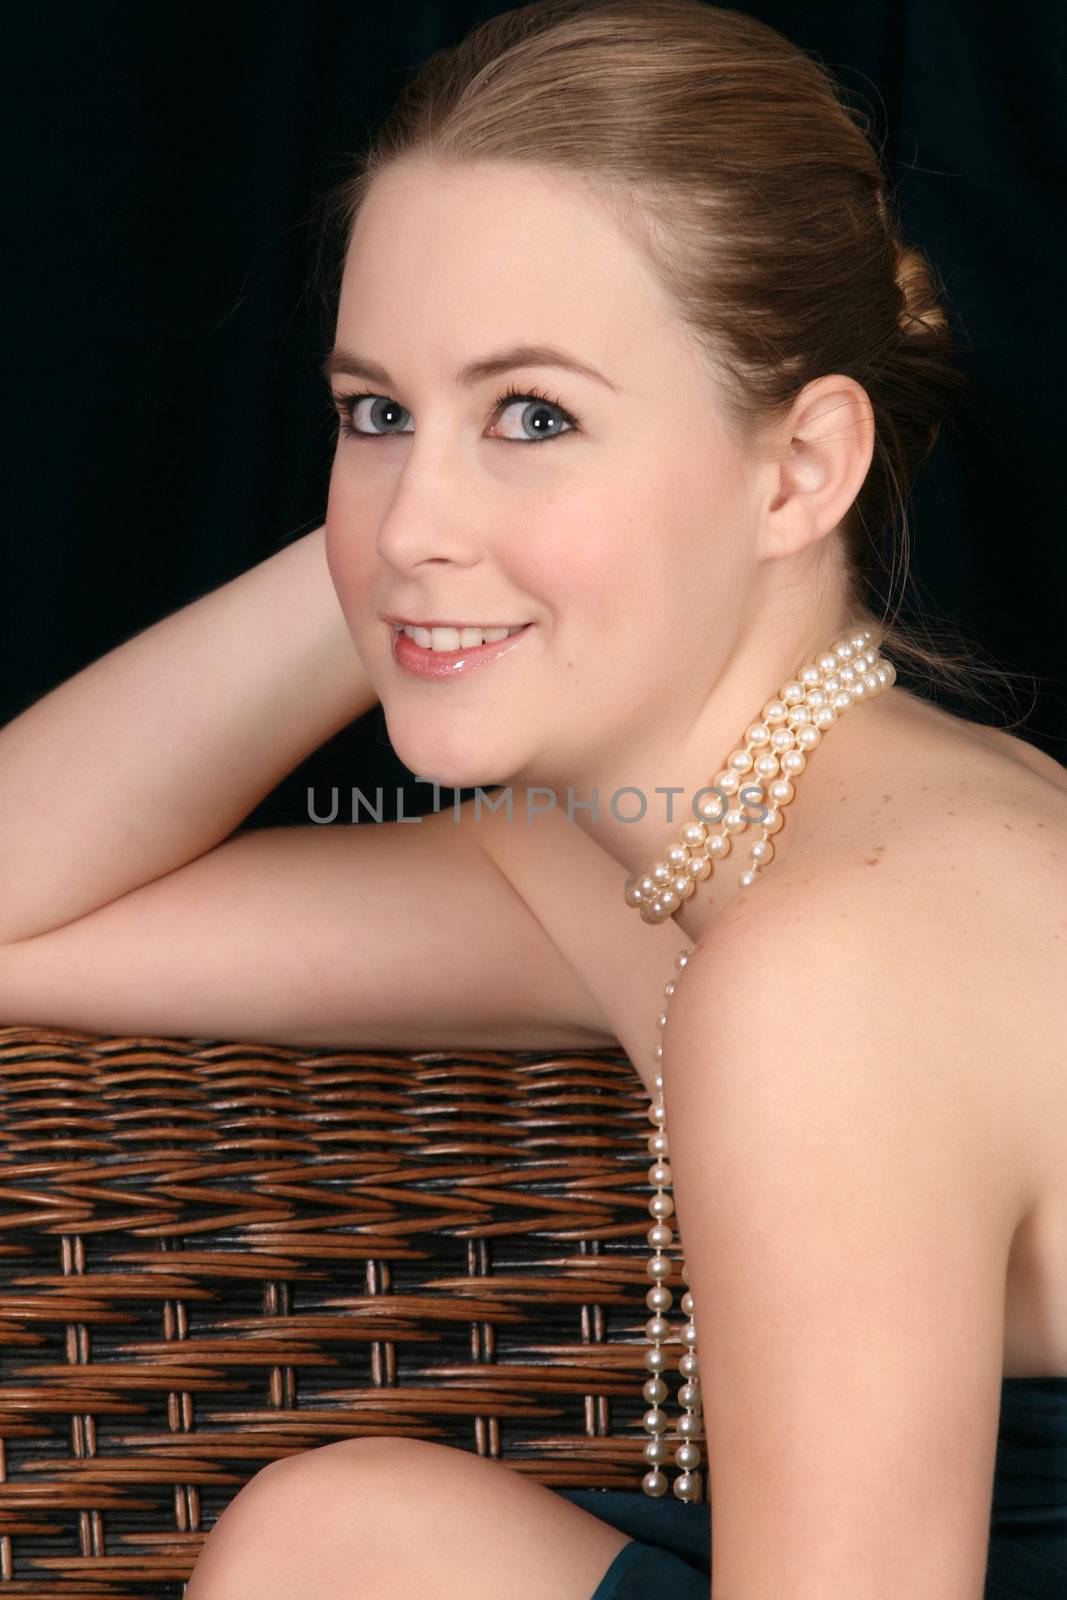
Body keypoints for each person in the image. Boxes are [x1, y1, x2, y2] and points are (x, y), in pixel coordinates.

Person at [1, 0, 1064, 1595]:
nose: (414, 508)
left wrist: (445, 556)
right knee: (336, 1544)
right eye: (371, 410)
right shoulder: (634, 852)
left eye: (538, 414)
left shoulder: (847, 961)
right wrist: (410, 566)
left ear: (796, 472)